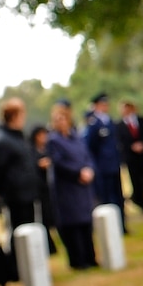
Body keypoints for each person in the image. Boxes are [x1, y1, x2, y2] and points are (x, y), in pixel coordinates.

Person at [45, 103, 99, 270]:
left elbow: (87, 156)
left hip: (82, 187)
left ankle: (91, 257)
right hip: (67, 186)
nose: (60, 122)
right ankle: (78, 260)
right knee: (73, 224)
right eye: (57, 119)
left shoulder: (76, 137)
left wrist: (89, 170)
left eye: (63, 118)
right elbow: (58, 162)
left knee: (85, 222)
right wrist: (78, 173)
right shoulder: (53, 141)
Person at [0, 99, 45, 245]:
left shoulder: (20, 137)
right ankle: (16, 263)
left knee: (30, 228)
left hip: (29, 192)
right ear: (14, 116)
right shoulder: (1, 140)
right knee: (18, 230)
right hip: (15, 195)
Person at [84, 94, 125, 232]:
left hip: (114, 165)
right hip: (102, 167)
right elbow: (91, 147)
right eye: (102, 104)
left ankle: (122, 224)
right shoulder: (93, 124)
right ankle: (111, 227)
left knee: (118, 196)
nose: (105, 106)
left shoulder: (110, 121)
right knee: (107, 197)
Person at [119, 101, 143, 211]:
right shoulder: (120, 125)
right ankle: (141, 202)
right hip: (131, 157)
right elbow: (121, 140)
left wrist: (142, 144)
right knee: (135, 180)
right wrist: (131, 146)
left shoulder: (141, 121)